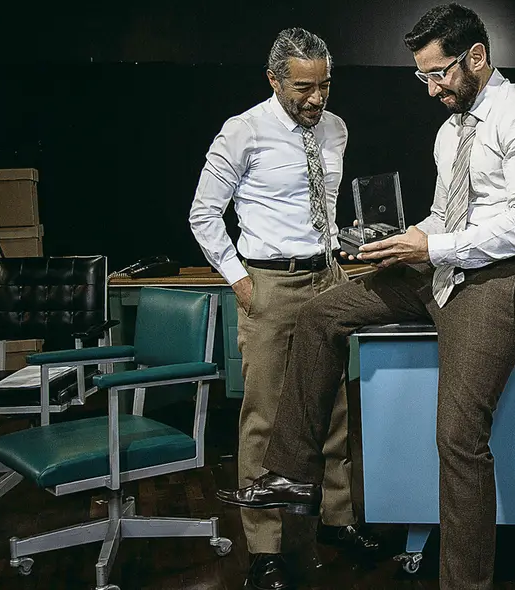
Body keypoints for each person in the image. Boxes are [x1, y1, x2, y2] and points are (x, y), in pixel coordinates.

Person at [215, 4, 515, 589]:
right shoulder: (450, 130)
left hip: (506, 278)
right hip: (446, 265)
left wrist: (430, 248)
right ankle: (291, 474)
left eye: (438, 74)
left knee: (458, 436)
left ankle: (465, 584)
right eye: (422, 77)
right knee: (323, 311)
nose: (430, 89)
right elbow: (449, 213)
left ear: (476, 58)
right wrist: (405, 240)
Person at [188, 27, 378, 590]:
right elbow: (203, 215)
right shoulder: (242, 131)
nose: (316, 99)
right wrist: (242, 283)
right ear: (274, 80)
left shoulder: (336, 130)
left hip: (328, 277)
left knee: (337, 410)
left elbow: (317, 206)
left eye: (324, 85)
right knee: (266, 419)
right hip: (269, 285)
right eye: (303, 88)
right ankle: (265, 548)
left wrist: (347, 241)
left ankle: (337, 520)